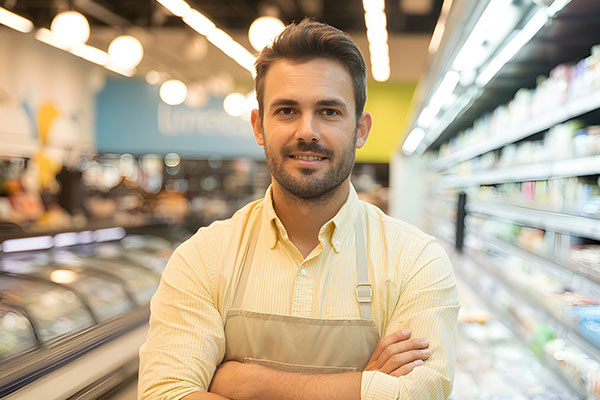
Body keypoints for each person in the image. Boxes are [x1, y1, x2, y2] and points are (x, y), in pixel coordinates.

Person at [138, 19, 460, 400]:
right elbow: (164, 394)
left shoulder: (416, 261)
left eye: (329, 111)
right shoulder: (203, 258)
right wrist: (362, 386)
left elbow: (421, 394)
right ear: (259, 126)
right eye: (287, 110)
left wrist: (250, 384)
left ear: (360, 129)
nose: (307, 131)